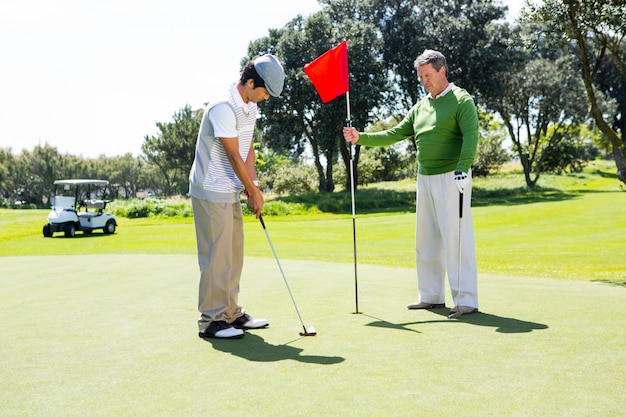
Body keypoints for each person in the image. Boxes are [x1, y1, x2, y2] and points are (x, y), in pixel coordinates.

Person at [343, 49, 479, 318]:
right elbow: (394, 133)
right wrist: (361, 138)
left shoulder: (462, 100)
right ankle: (430, 295)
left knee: (456, 239)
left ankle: (466, 299)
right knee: (426, 239)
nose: (424, 81)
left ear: (442, 71)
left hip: (453, 177)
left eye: (427, 75)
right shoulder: (420, 107)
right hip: (425, 178)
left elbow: (471, 136)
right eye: (421, 77)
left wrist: (463, 169)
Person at [189, 54, 285, 339]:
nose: (266, 97)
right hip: (210, 189)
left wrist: (251, 182)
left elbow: (247, 147)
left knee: (233, 254)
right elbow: (231, 154)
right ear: (250, 82)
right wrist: (253, 192)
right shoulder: (223, 107)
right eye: (264, 91)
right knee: (216, 257)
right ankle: (211, 320)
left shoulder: (250, 108)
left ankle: (230, 313)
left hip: (228, 189)